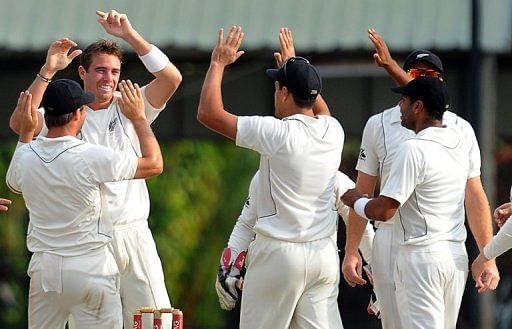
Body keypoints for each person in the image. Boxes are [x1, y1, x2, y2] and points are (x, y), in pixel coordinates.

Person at [9, 9, 182, 327]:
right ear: (82, 73)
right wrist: (47, 70)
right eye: (100, 70)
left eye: (115, 71)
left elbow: (172, 79)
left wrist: (130, 36)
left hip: (132, 232)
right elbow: (21, 122)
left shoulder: (130, 102)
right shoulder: (63, 113)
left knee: (158, 320)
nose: (109, 78)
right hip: (87, 242)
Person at [341, 28, 499, 328]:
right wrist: (352, 251)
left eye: (431, 76)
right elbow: (365, 186)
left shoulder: (458, 129)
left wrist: (487, 253)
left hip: (438, 249)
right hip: (390, 243)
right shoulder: (381, 124)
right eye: (415, 73)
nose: (422, 80)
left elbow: (474, 193)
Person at [198, 26, 344, 328]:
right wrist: (296, 66)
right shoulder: (334, 131)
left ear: (285, 92)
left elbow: (209, 114)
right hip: (322, 258)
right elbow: (322, 109)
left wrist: (218, 64)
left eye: (278, 85)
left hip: (279, 255)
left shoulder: (276, 132)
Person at [6, 79, 163, 328]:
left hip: (44, 270)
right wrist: (140, 118)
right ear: (79, 114)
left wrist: (26, 132)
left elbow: (14, 183)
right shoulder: (91, 155)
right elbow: (154, 164)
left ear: (45, 117)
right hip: (89, 267)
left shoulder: (25, 157)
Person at [215, 170, 375, 311]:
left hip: (274, 264)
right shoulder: (335, 177)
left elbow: (245, 223)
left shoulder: (266, 174)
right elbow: (358, 215)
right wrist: (378, 273)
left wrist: (228, 269)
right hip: (320, 266)